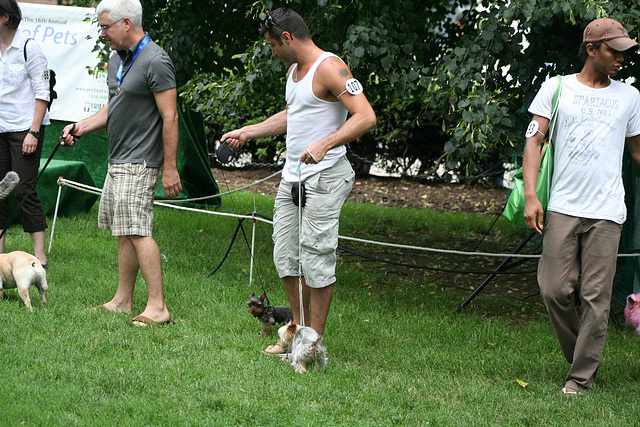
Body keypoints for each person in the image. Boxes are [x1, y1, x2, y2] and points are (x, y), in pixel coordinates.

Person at [222, 8, 376, 352]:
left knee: (317, 259)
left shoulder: (330, 67)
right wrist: (249, 132)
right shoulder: (294, 71)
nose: (273, 52)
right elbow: (295, 114)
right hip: (292, 179)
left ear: (288, 38)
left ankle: (310, 343)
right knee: (286, 258)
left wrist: (326, 142)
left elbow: (365, 116)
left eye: (273, 46)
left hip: (325, 177)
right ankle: (296, 330)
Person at [523, 17, 640, 394]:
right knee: (553, 289)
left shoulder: (630, 97)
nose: (622, 58)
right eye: (614, 50)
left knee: (596, 298)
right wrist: (530, 195)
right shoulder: (557, 89)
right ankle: (581, 355)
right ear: (591, 50)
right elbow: (534, 142)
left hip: (608, 211)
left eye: (625, 51)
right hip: (563, 206)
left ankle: (580, 378)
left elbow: (638, 151)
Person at [61, 0, 182, 326]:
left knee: (138, 231)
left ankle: (158, 307)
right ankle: (122, 300)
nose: (102, 34)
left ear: (126, 23)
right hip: (118, 159)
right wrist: (81, 126)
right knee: (124, 232)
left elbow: (169, 117)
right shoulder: (116, 60)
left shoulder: (155, 60)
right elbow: (111, 109)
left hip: (141, 160)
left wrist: (169, 168)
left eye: (105, 27)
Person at [0, 0, 50, 268]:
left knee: (23, 190)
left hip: (25, 129)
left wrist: (34, 131)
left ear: (5, 17)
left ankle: (39, 258)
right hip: (0, 128)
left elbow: (43, 94)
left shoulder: (31, 48)